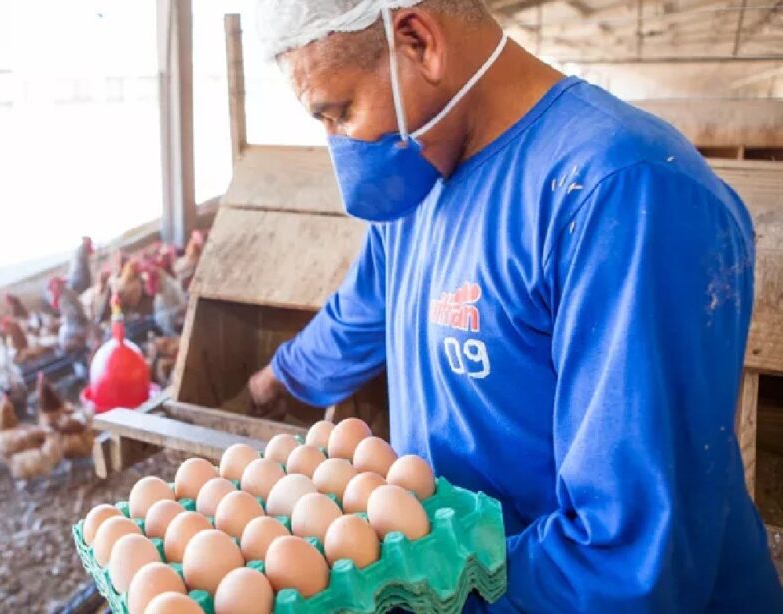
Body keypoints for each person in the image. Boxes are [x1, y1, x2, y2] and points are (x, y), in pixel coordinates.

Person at [248, 0, 783, 611]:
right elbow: (363, 310)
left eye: (339, 112)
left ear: (418, 42)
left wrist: (427, 592)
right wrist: (279, 377)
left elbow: (630, 557)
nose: (338, 145)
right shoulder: (418, 170)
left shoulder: (621, 195)